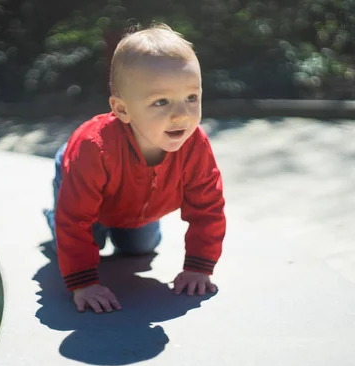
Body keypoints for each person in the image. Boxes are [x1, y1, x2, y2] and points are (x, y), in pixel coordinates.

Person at [43, 22, 226, 314]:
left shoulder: (195, 146)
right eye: (161, 101)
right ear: (122, 110)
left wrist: (199, 267)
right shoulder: (94, 149)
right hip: (82, 187)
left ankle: (118, 226)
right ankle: (53, 218)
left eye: (191, 97)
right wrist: (84, 283)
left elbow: (208, 209)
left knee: (139, 249)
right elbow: (76, 218)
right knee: (86, 239)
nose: (181, 114)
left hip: (138, 203)